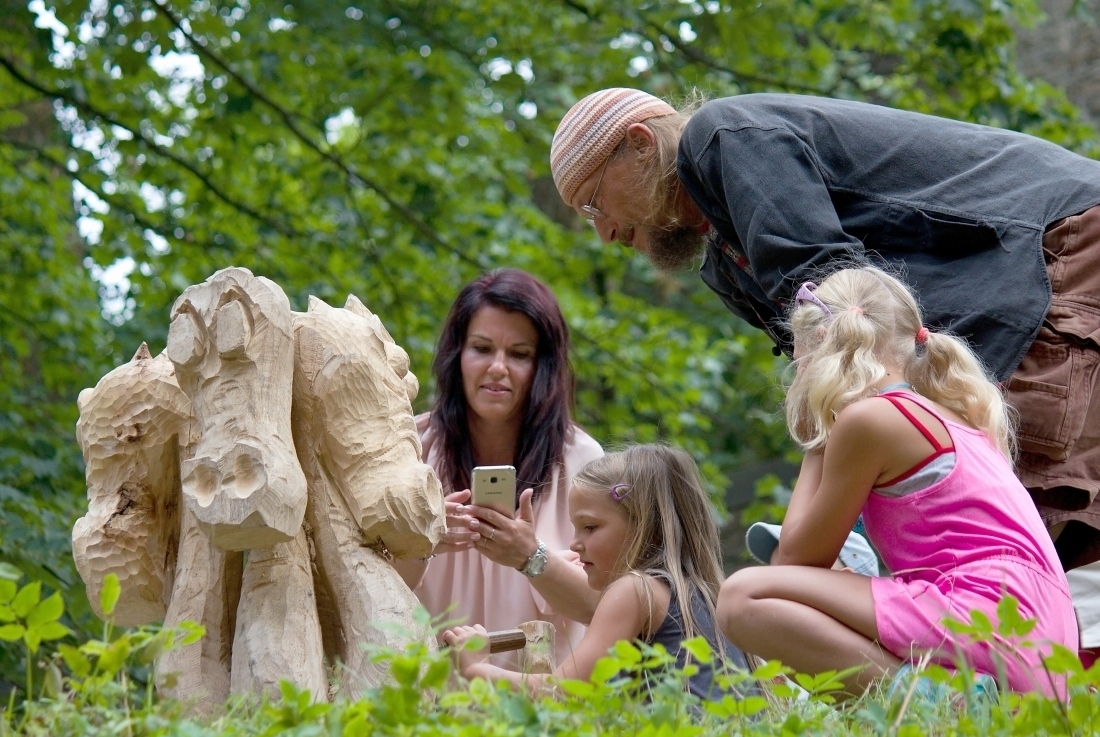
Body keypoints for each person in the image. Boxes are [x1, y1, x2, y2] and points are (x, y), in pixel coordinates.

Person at [550, 87, 1100, 570]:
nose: (605, 234)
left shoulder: (723, 137)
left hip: (1057, 243)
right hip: (1005, 283)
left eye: (594, 205)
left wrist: (822, 528)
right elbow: (837, 368)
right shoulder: (726, 264)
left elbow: (838, 312)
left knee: (1024, 498)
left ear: (642, 143)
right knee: (1011, 513)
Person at [714, 266, 1077, 697]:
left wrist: (817, 433)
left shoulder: (870, 420)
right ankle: (948, 698)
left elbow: (795, 559)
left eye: (798, 361)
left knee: (744, 599)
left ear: (819, 354)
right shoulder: (954, 417)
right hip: (1043, 639)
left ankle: (942, 708)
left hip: (990, 619)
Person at [392, 269, 603, 667]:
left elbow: (603, 607)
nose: (497, 368)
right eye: (482, 348)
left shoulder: (584, 463)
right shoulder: (407, 449)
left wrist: (531, 556)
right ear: (458, 355)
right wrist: (422, 542)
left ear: (543, 367)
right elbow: (371, 595)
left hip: (545, 713)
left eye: (519, 354)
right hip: (426, 708)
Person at [443, 444, 753, 699]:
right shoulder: (704, 592)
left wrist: (476, 667)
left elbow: (564, 693)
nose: (576, 544)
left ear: (647, 526)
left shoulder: (635, 590)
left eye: (590, 527)